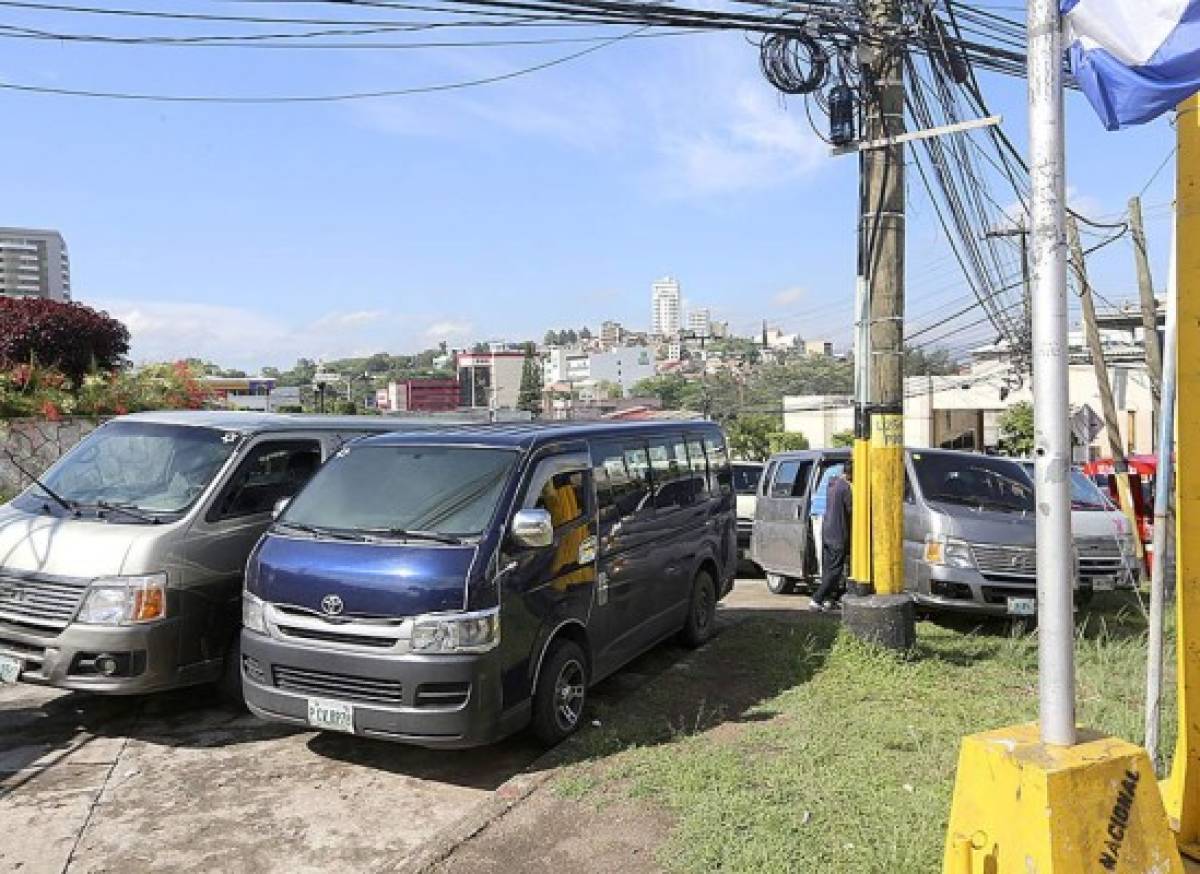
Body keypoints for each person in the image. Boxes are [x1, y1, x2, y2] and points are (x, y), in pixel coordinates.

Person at [810, 462, 852, 612]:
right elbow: (851, 509)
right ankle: (817, 599)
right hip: (838, 535)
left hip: (827, 532)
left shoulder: (832, 485)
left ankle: (828, 600)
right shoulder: (845, 488)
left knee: (828, 569)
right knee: (835, 572)